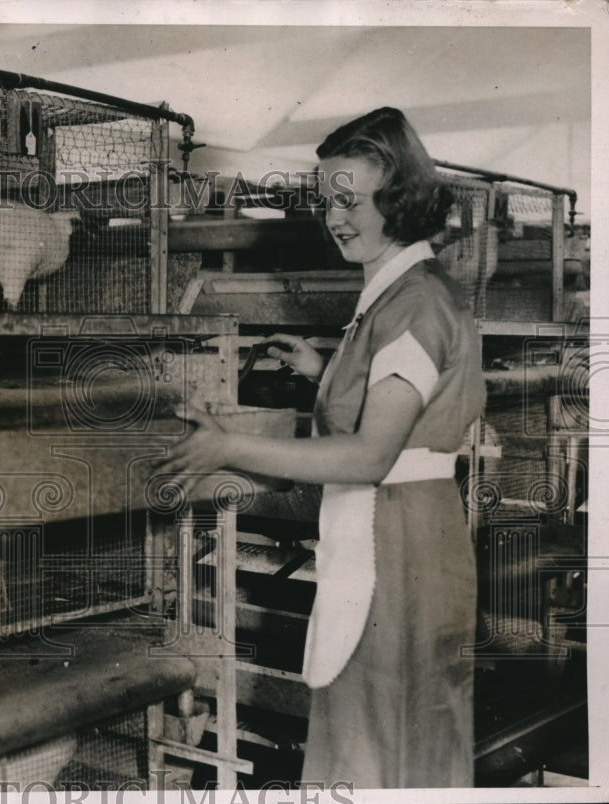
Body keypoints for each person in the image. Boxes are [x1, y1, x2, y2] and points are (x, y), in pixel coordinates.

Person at [157, 107, 485, 788]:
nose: (333, 218)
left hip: (396, 552)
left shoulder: (413, 304)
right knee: (403, 739)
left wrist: (227, 447)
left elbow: (370, 456)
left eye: (349, 201)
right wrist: (325, 371)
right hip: (410, 539)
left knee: (377, 745)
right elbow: (404, 408)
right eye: (326, 201)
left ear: (397, 200)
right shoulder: (404, 292)